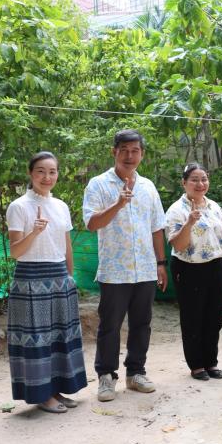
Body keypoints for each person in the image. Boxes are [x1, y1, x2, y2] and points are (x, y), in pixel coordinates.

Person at [83, 129, 167, 402]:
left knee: (142, 323)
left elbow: (157, 228)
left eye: (135, 151)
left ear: (142, 153)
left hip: (144, 267)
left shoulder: (148, 187)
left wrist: (161, 263)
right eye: (124, 150)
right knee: (110, 325)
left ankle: (136, 373)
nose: (130, 156)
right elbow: (92, 223)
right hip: (114, 270)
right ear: (114, 152)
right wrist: (118, 204)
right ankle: (106, 377)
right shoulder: (98, 185)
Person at [6, 152, 87, 413]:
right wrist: (35, 232)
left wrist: (70, 277)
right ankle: (42, 395)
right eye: (41, 171)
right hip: (30, 279)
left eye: (52, 171)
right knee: (37, 339)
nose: (47, 177)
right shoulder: (19, 206)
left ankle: (56, 389)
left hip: (59, 278)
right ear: (31, 174)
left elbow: (66, 246)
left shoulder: (61, 206)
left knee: (59, 336)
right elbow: (16, 252)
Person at [165, 163, 222, 381]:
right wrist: (189, 222)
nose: (200, 184)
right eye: (194, 179)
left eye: (204, 179)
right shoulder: (176, 210)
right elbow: (178, 245)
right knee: (192, 318)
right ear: (184, 183)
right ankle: (196, 365)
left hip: (215, 267)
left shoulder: (214, 206)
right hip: (189, 269)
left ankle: (211, 362)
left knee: (214, 318)